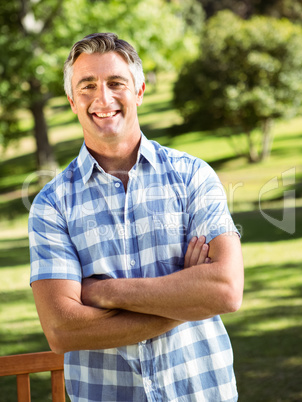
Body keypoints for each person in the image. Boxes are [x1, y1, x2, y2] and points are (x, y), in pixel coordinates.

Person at [29, 33, 244, 402]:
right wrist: (186, 299)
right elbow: (63, 331)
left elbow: (224, 289)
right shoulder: (52, 204)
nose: (103, 98)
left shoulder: (193, 176)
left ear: (140, 91)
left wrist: (103, 292)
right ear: (71, 101)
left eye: (116, 83)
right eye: (87, 86)